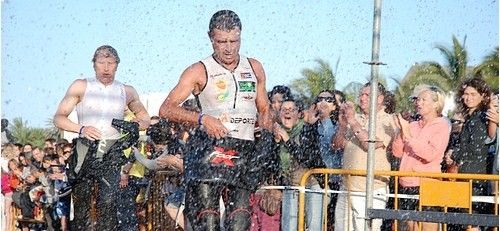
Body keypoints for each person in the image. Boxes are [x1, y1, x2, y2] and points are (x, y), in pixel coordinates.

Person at [159, 10, 273, 230]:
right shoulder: (198, 70)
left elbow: (265, 108)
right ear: (211, 38)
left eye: (234, 41)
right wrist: (202, 119)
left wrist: (266, 139)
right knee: (208, 223)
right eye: (222, 42)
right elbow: (166, 109)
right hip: (209, 150)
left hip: (243, 149)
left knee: (239, 222)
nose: (229, 48)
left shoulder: (254, 67)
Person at [53, 45, 150, 230]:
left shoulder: (126, 90)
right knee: (82, 203)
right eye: (101, 63)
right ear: (94, 65)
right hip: (85, 147)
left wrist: (134, 125)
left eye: (110, 63)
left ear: (117, 65)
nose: (106, 67)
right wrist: (81, 128)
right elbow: (58, 118)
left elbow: (145, 118)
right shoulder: (81, 85)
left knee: (108, 202)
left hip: (111, 150)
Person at [332, 82, 396, 231]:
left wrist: (352, 121)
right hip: (346, 187)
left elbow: (370, 145)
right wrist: (342, 125)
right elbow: (336, 145)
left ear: (380, 99)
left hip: (371, 189)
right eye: (361, 95)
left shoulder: (388, 120)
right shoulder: (356, 118)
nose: (362, 98)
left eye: (367, 95)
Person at [392, 85, 450, 231]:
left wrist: (408, 135)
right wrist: (401, 130)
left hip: (428, 183)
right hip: (407, 183)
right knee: (409, 227)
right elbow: (397, 152)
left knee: (428, 226)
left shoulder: (442, 125)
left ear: (436, 103)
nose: (419, 103)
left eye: (424, 100)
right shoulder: (412, 125)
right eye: (418, 100)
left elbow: (430, 154)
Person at [273, 98, 326, 231]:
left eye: (292, 109)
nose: (288, 112)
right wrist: (276, 142)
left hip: (311, 185)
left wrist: (287, 139)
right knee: (289, 226)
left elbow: (306, 158)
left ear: (299, 114)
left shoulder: (306, 130)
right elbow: (272, 164)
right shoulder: (275, 133)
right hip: (290, 184)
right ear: (279, 114)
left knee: (314, 227)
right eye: (284, 110)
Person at [450, 78, 495, 230]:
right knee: (467, 218)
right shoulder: (472, 117)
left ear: (483, 96)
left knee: (470, 219)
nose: (468, 97)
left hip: (473, 175)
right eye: (466, 94)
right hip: (471, 173)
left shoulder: (480, 117)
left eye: (473, 94)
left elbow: (476, 147)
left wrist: (455, 157)